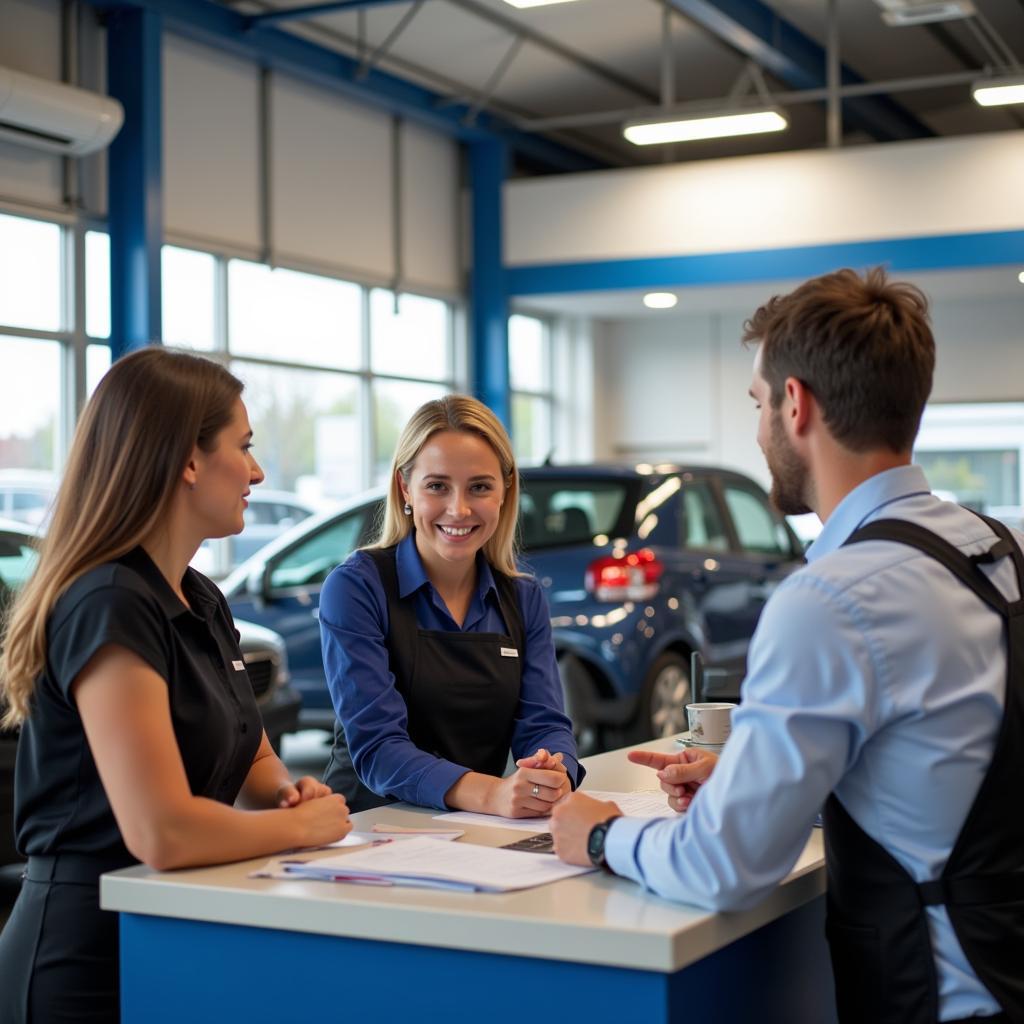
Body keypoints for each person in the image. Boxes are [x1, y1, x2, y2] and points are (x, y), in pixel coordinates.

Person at [550, 267, 1023, 1024]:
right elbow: (945, 765)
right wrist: (752, 771)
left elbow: (725, 864)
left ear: (795, 404)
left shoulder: (835, 596)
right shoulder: (991, 549)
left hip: (938, 999)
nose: (759, 423)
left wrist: (603, 834)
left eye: (757, 402)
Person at [0, 347, 351, 1024]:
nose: (257, 471)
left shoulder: (199, 597)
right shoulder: (108, 601)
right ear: (188, 461)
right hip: (82, 959)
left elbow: (249, 751)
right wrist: (300, 829)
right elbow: (160, 830)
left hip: (166, 932)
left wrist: (285, 791)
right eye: (242, 447)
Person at [320, 394, 582, 814]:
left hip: (475, 830)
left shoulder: (524, 598)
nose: (458, 509)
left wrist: (553, 771)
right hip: (368, 830)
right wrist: (492, 794)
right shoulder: (356, 588)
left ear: (505, 490)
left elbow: (545, 723)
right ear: (405, 487)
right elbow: (379, 747)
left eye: (479, 487)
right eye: (437, 486)